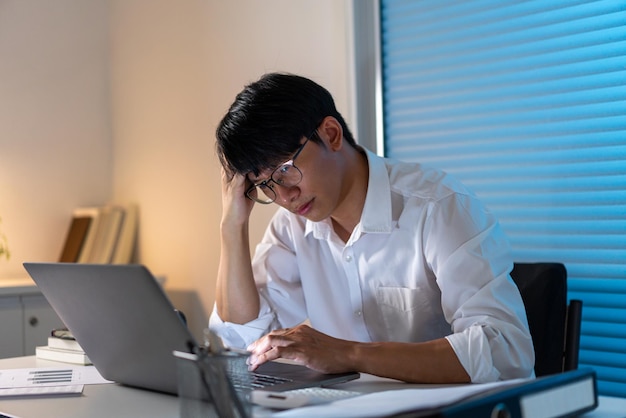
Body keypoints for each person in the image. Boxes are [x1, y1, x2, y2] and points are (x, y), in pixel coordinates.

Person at [209, 72, 534, 384]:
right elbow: (242, 338)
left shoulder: (438, 206)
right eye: (265, 185)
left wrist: (350, 354)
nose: (284, 196)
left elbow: (503, 349)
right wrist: (231, 224)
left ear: (331, 134)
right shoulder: (292, 226)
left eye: (285, 170)